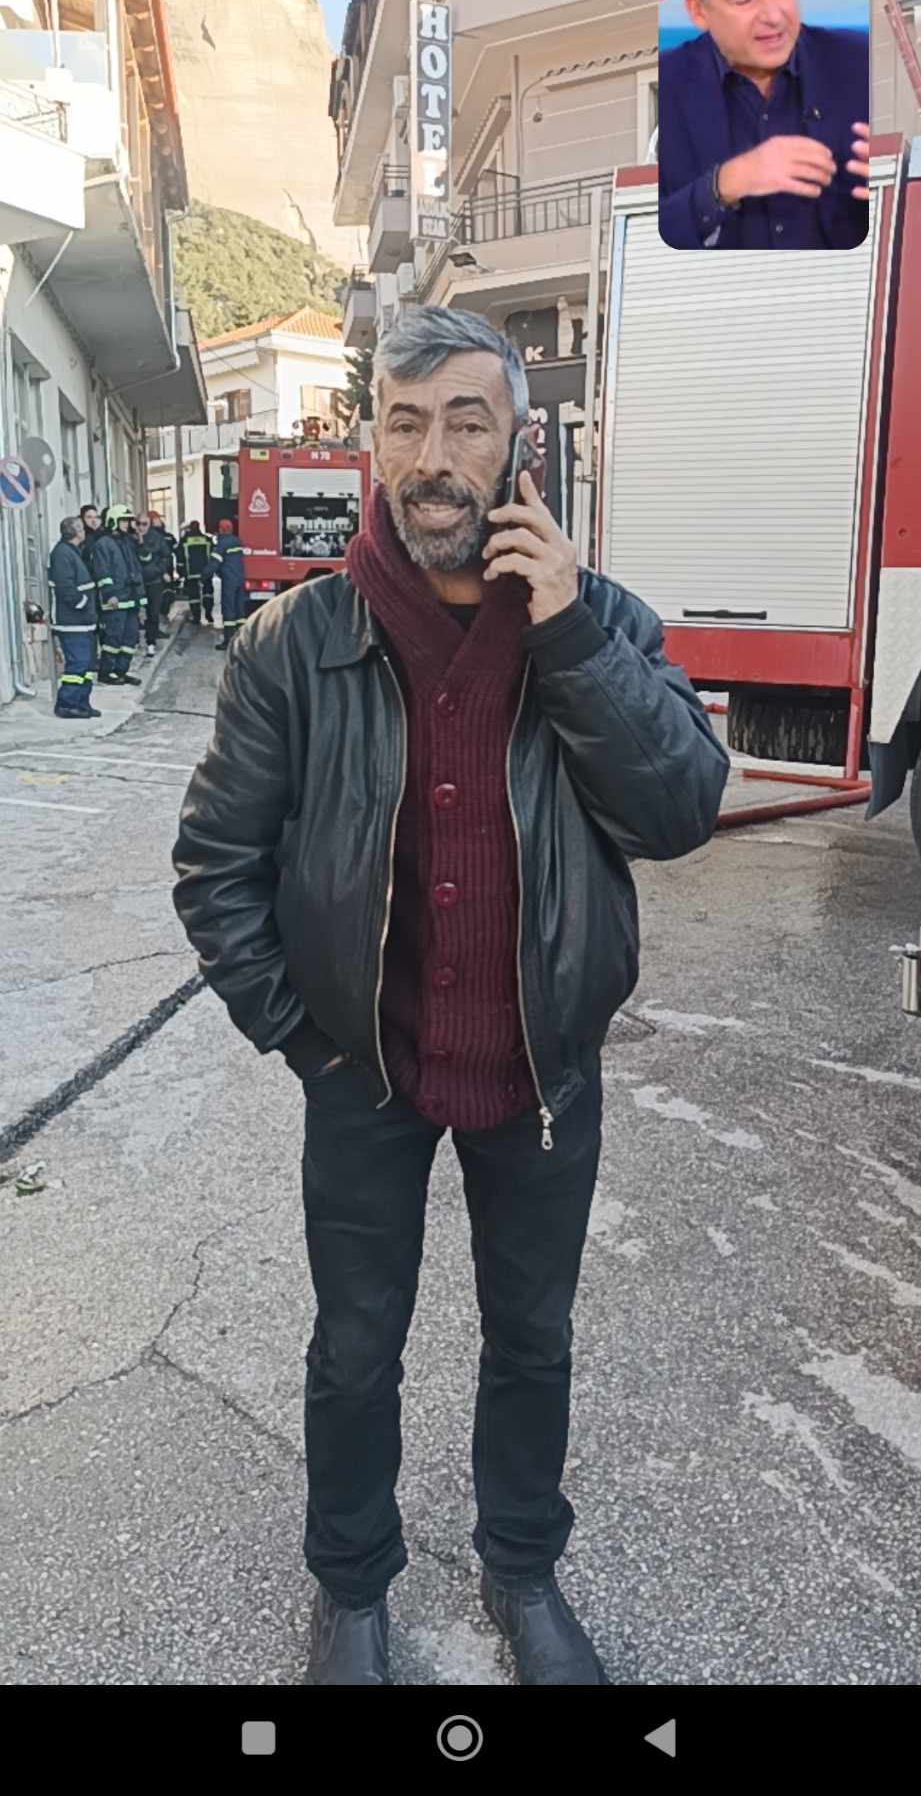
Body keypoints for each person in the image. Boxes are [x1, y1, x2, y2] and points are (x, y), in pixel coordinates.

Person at [172, 307, 729, 1688]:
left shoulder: (601, 622)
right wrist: (304, 1038)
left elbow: (679, 812)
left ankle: (521, 1569)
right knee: (357, 1349)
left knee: (531, 1340)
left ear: (519, 449)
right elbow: (216, 866)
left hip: (542, 1076)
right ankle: (352, 1588)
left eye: (467, 423)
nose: (434, 456)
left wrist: (573, 634)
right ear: (372, 443)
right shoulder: (294, 643)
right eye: (406, 422)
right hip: (364, 1071)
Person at [658, 0, 870, 250]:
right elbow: (640, 236)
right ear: (698, 11)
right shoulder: (666, 85)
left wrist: (891, 180)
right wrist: (722, 186)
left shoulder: (860, 63)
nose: (773, 16)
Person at [49, 515, 101, 719]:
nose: (84, 531)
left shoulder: (72, 551)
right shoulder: (62, 554)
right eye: (81, 528)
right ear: (76, 532)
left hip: (82, 621)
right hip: (72, 621)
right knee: (77, 664)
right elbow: (65, 587)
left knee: (86, 665)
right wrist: (83, 603)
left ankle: (81, 703)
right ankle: (66, 704)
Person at [81, 504, 138, 685]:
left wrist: (140, 595)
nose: (127, 524)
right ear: (113, 521)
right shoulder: (103, 544)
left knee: (130, 638)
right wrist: (110, 594)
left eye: (128, 521)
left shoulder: (127, 542)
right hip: (115, 600)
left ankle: (121, 671)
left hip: (131, 598)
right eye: (123, 520)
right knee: (113, 638)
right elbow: (102, 572)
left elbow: (135, 569)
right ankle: (106, 672)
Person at [135, 512, 169, 655]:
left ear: (149, 525)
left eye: (144, 524)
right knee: (134, 613)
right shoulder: (131, 538)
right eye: (138, 524)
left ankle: (151, 642)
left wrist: (159, 570)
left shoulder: (157, 538)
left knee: (153, 613)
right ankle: (134, 642)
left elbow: (165, 556)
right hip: (137, 582)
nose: (141, 527)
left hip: (154, 581)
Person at [210, 518, 247, 651]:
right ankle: (242, 641)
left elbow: (214, 563)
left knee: (229, 611)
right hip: (240, 579)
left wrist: (204, 575)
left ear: (220, 529)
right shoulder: (237, 541)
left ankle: (228, 642)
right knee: (240, 611)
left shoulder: (222, 544)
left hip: (229, 581)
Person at [177, 520, 214, 626]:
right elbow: (213, 554)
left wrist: (180, 571)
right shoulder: (207, 539)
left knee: (194, 596)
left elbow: (180, 557)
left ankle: (196, 617)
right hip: (205, 572)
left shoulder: (184, 540)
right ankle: (208, 613)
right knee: (208, 593)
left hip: (191, 572)